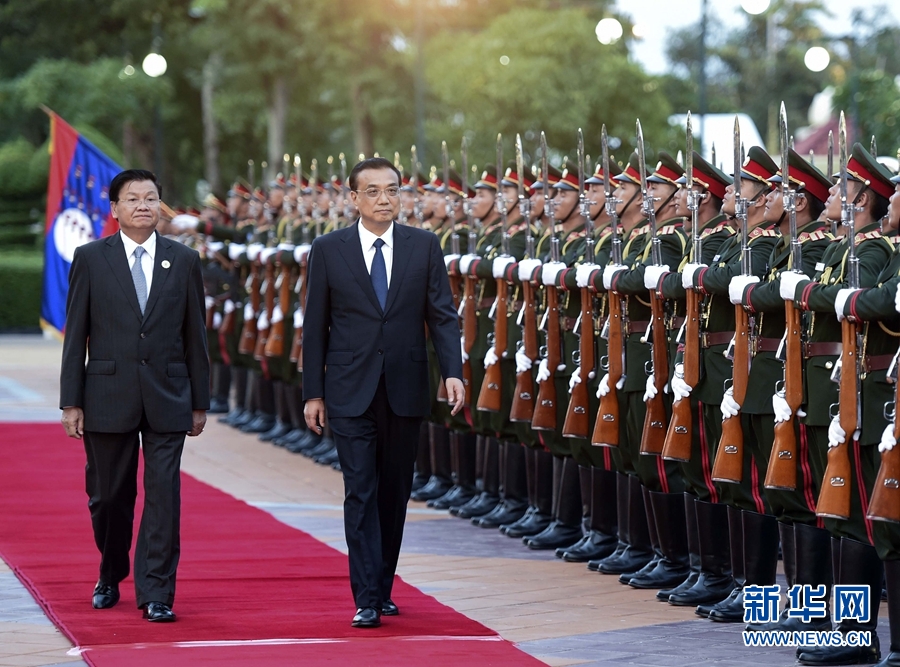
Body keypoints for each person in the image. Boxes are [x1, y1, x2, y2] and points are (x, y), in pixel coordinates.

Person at [302, 157, 464, 628]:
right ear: (353, 198)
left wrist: (452, 371)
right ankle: (366, 597)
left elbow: (442, 315)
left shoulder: (424, 246)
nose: (384, 199)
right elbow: (315, 328)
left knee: (394, 492)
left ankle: (383, 584)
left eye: (392, 190)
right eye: (372, 191)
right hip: (349, 389)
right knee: (360, 490)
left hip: (405, 386)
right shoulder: (329, 249)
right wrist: (314, 392)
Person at [59, 169, 210, 623]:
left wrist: (199, 401)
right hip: (106, 392)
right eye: (133, 199)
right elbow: (76, 335)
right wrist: (72, 400)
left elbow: (195, 335)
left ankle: (157, 592)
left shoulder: (183, 260)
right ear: (115, 209)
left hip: (169, 393)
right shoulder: (90, 258)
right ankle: (110, 571)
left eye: (151, 198)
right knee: (108, 497)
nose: (143, 205)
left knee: (163, 495)